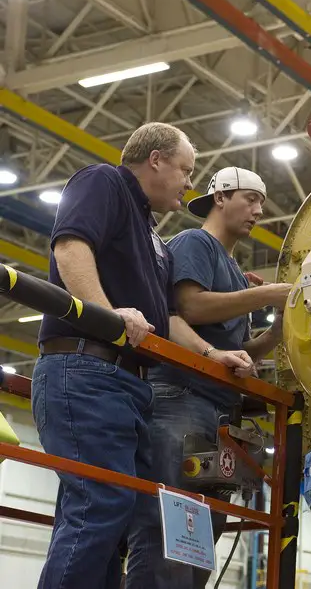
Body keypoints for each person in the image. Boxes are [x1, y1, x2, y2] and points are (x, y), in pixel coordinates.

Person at [31, 123, 255, 589]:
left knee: (114, 515)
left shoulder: (152, 234)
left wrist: (213, 351)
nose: (190, 183)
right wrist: (108, 315)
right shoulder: (103, 182)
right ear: (155, 159)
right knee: (102, 504)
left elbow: (169, 317)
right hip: (86, 367)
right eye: (185, 170)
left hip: (126, 382)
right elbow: (70, 247)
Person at [125, 167, 291, 589]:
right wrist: (269, 294)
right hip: (182, 398)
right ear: (220, 197)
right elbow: (188, 308)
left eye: (262, 203)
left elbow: (238, 354)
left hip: (217, 413)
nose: (258, 211)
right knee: (170, 531)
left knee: (198, 539)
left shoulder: (233, 271)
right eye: (250, 199)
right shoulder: (195, 243)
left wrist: (275, 333)